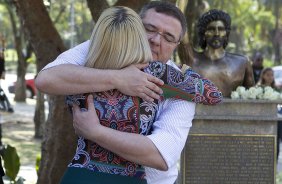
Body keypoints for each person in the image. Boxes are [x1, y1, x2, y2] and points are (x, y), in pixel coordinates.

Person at [35, 2, 222, 184]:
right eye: (149, 28)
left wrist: (95, 132)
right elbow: (213, 95)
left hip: (87, 173)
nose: (156, 40)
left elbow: (161, 156)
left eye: (168, 37)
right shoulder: (163, 76)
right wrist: (118, 78)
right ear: (135, 27)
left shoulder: (93, 58)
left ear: (177, 44)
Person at [192, 9, 255, 97]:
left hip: (233, 110)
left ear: (226, 33)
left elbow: (252, 97)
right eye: (211, 29)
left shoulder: (242, 62)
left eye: (221, 29)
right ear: (203, 33)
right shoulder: (193, 60)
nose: (217, 33)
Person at [256, 67, 282, 160]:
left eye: (272, 75)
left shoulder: (276, 89)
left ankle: (274, 166)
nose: (270, 77)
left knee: (276, 143)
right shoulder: (258, 89)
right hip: (263, 119)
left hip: (276, 118)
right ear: (263, 75)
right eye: (268, 75)